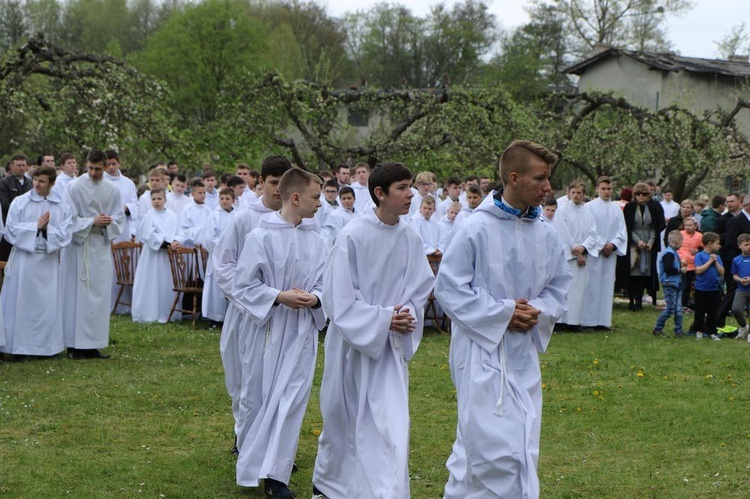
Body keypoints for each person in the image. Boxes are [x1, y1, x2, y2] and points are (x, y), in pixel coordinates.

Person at [435, 140, 572, 498]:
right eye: (540, 178)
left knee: (521, 443)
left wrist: (536, 311)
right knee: (487, 449)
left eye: (549, 178)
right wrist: (504, 313)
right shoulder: (473, 228)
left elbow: (559, 285)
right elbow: (450, 289)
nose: (548, 187)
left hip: (522, 353)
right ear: (514, 178)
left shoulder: (545, 232)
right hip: (480, 352)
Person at [312, 162, 435, 499]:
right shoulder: (352, 235)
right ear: (380, 193)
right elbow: (338, 299)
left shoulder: (410, 235)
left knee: (390, 424)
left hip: (390, 349)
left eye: (411, 186)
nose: (411, 194)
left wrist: (404, 315)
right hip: (353, 348)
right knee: (345, 421)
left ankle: (386, 490)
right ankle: (332, 485)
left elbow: (421, 286)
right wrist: (382, 319)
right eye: (402, 188)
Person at [233, 168, 326, 498]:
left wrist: (316, 298)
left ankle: (276, 476)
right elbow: (242, 285)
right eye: (316, 197)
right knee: (261, 398)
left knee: (292, 400)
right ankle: (254, 460)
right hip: (269, 329)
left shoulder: (318, 240)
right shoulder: (261, 237)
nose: (320, 203)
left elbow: (325, 283)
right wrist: (278, 296)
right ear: (296, 197)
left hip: (301, 331)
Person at [212, 155, 292, 455]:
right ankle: (243, 434)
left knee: (278, 382)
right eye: (273, 183)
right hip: (246, 312)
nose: (279, 190)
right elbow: (223, 265)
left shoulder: (299, 219)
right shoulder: (245, 218)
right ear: (260, 183)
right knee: (244, 378)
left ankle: (273, 447)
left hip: (284, 314)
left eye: (284, 184)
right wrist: (253, 298)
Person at [0, 166, 72, 358]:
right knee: (22, 304)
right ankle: (20, 348)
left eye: (42, 181)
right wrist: (36, 227)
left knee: (47, 306)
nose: (37, 185)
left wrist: (47, 231)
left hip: (47, 261)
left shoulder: (61, 206)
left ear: (52, 183)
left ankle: (46, 347)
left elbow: (66, 234)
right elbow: (10, 230)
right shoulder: (20, 202)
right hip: (25, 260)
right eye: (36, 180)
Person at [60, 149, 125, 359]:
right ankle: (73, 344)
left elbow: (119, 217)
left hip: (100, 246)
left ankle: (93, 344)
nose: (94, 173)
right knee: (76, 295)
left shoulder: (112, 189)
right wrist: (91, 222)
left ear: (106, 167)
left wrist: (108, 223)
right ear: (85, 165)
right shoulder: (74, 187)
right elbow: (67, 219)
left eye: (98, 169)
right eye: (90, 168)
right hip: (79, 248)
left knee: (98, 294)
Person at [552, 179, 598, 331]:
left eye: (579, 193)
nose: (576, 195)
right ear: (568, 193)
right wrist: (573, 247)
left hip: (581, 254)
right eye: (573, 192)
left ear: (584, 194)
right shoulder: (562, 210)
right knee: (565, 288)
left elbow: (593, 233)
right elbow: (562, 231)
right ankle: (560, 321)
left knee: (578, 290)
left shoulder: (587, 211)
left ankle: (574, 321)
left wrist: (583, 247)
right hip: (567, 255)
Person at [582, 177, 627, 330]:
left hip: (609, 255)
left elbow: (622, 231)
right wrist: (601, 245)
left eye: (609, 189)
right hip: (594, 253)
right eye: (603, 189)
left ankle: (603, 321)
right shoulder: (589, 207)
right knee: (592, 286)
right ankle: (588, 321)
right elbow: (588, 229)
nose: (607, 192)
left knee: (607, 286)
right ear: (597, 189)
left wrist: (613, 245)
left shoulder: (616, 209)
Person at [131, 188, 179, 323]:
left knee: (165, 282)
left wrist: (175, 241)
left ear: (165, 200)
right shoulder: (148, 215)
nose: (156, 201)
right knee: (151, 282)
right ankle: (148, 313)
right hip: (152, 255)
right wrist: (166, 243)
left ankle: (167, 312)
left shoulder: (172, 215)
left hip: (167, 256)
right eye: (154, 199)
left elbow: (177, 230)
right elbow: (148, 235)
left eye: (159, 198)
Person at [104, 150, 140, 314]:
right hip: (106, 227)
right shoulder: (101, 181)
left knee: (125, 265)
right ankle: (108, 303)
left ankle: (125, 304)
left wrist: (127, 208)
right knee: (108, 266)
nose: (111, 167)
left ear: (119, 163)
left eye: (114, 163)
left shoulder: (128, 183)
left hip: (123, 229)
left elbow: (135, 204)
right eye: (108, 164)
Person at [622, 182, 665, 311]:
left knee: (644, 273)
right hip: (633, 242)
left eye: (644, 194)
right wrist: (637, 241)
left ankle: (639, 301)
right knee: (632, 272)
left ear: (649, 195)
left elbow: (656, 226)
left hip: (648, 242)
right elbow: (627, 226)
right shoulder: (629, 207)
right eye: (638, 194)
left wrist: (651, 241)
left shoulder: (654, 207)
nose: (641, 196)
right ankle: (630, 301)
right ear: (634, 195)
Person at [202, 188, 237, 328]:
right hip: (218, 258)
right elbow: (209, 238)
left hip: (234, 259)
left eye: (227, 199)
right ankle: (215, 318)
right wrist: (225, 248)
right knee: (216, 289)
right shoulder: (214, 216)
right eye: (221, 198)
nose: (224, 201)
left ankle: (230, 319)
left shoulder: (238, 216)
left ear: (233, 200)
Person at [652, 230, 687, 337]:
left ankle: (678, 330)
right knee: (670, 309)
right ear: (676, 241)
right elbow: (668, 269)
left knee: (678, 309)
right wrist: (680, 270)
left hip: (677, 284)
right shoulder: (668, 253)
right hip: (669, 283)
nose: (682, 245)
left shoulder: (673, 253)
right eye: (681, 242)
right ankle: (657, 328)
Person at [0, 154, 32, 261]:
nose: (21, 168)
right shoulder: (4, 183)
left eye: (23, 165)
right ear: (11, 166)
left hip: (27, 226)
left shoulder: (30, 183)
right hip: (9, 227)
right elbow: (5, 205)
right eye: (18, 165)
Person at [692, 232, 724, 340]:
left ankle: (712, 332)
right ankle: (699, 331)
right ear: (710, 244)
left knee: (713, 312)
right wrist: (710, 261)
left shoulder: (717, 257)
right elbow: (698, 270)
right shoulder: (700, 255)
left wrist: (716, 262)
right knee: (700, 311)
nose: (719, 246)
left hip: (713, 289)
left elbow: (722, 272)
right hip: (701, 289)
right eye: (717, 243)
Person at [678, 217, 702, 309]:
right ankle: (681, 303)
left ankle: (688, 303)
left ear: (695, 226)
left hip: (694, 264)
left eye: (690, 225)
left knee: (689, 285)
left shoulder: (699, 236)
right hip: (682, 262)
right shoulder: (680, 234)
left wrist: (697, 250)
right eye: (686, 225)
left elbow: (703, 247)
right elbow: (677, 248)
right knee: (682, 285)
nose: (687, 227)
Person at [731, 233, 750, 341]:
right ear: (740, 246)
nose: (748, 247)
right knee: (736, 309)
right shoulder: (736, 260)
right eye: (746, 244)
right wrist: (740, 279)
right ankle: (744, 327)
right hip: (741, 289)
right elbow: (734, 274)